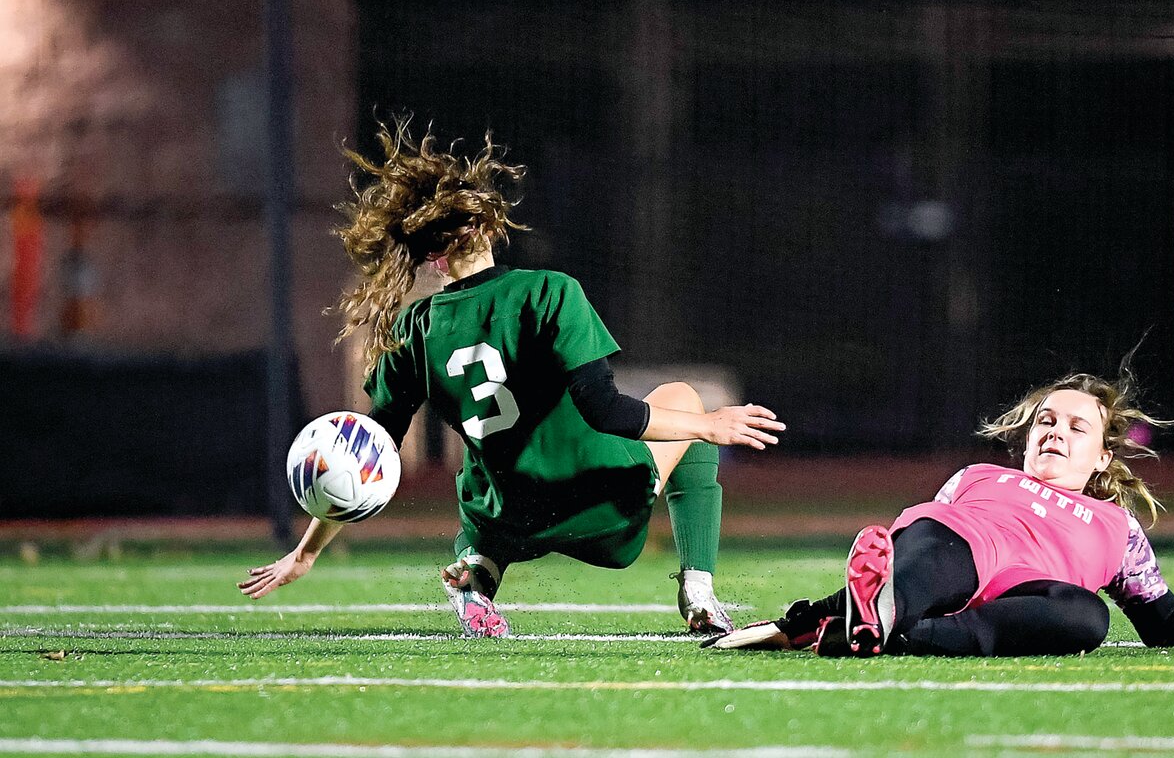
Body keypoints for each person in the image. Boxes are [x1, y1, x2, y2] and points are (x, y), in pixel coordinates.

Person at [238, 120, 785, 637]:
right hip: (599, 503)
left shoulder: (413, 327)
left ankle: (478, 571)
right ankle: (698, 588)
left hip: (505, 517)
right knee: (681, 398)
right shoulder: (550, 291)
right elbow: (605, 409)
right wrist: (708, 424)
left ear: (431, 255)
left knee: (483, 502)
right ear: (482, 224)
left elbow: (370, 452)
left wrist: (307, 550)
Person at [705, 372, 1174, 656]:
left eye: (1077, 427)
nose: (1055, 431)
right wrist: (793, 620)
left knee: (1087, 619)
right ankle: (867, 620)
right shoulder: (979, 478)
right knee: (938, 549)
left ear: (1102, 457)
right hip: (961, 550)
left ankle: (882, 631)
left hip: (1026, 592)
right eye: (1047, 421)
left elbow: (1161, 619)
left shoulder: (1119, 529)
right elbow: (910, 558)